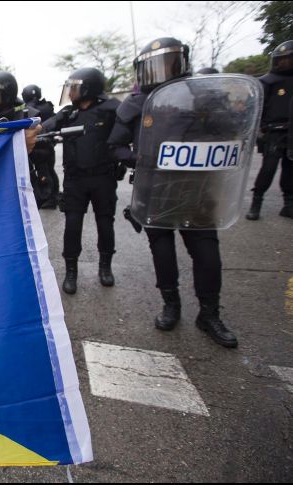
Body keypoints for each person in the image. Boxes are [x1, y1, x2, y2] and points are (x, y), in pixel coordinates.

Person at [107, 36, 238, 348]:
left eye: (166, 63)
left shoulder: (203, 96)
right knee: (162, 250)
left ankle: (209, 313)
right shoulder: (136, 103)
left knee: (206, 252)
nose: (159, 72)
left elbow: (230, 132)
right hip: (156, 189)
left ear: (182, 62)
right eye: (152, 66)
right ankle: (171, 304)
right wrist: (140, 160)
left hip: (198, 188)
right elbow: (115, 144)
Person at [41, 67, 121, 295]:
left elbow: (132, 124)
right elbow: (47, 125)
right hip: (75, 179)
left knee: (105, 224)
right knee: (72, 225)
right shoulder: (68, 114)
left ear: (89, 88)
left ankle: (105, 267)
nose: (72, 93)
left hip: (103, 178)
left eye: (75, 88)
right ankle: (71, 271)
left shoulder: (111, 109)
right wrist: (30, 129)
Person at [246, 39, 293, 220]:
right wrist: (260, 129)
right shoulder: (267, 82)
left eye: (289, 59)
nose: (285, 62)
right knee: (268, 168)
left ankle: (288, 203)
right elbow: (257, 107)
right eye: (282, 59)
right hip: (273, 131)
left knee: (290, 169)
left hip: (291, 132)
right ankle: (256, 202)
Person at [23, 84, 59, 209]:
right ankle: (53, 196)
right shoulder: (47, 107)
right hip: (48, 145)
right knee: (50, 170)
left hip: (39, 146)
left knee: (44, 172)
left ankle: (48, 197)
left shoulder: (31, 109)